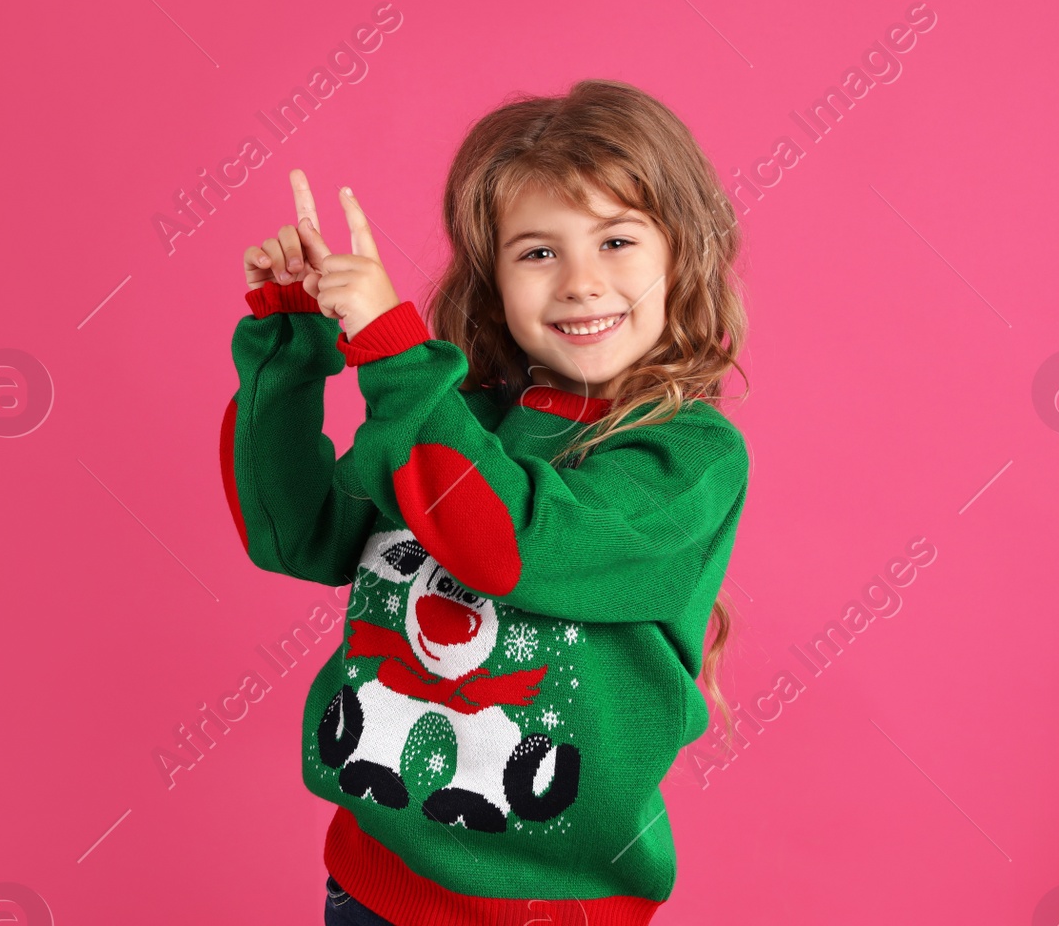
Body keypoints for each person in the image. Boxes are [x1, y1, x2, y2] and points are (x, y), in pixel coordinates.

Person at [220, 81, 751, 925]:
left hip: (546, 910)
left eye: (616, 241)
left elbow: (514, 544)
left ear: (682, 254)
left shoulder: (688, 459)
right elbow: (299, 534)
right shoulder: (449, 416)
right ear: (493, 279)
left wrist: (397, 357)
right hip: (371, 883)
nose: (581, 282)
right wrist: (290, 347)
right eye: (538, 252)